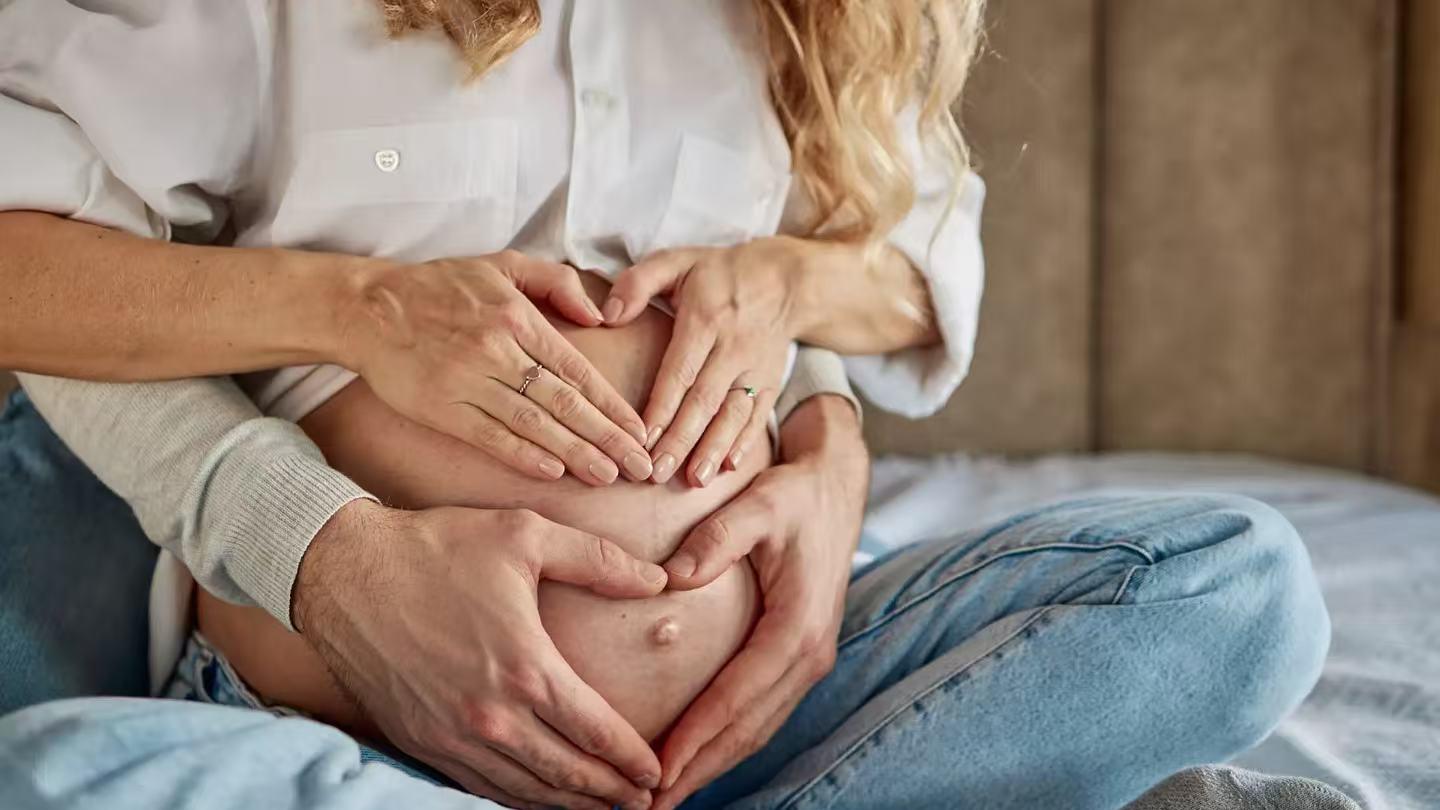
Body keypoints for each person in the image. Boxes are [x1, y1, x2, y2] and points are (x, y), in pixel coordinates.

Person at [0, 2, 1330, 809]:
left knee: (1241, 589)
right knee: (48, 778)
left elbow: (921, 270)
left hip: (765, 712)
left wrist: (827, 428)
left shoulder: (818, 12)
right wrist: (339, 488)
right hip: (352, 726)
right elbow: (22, 258)